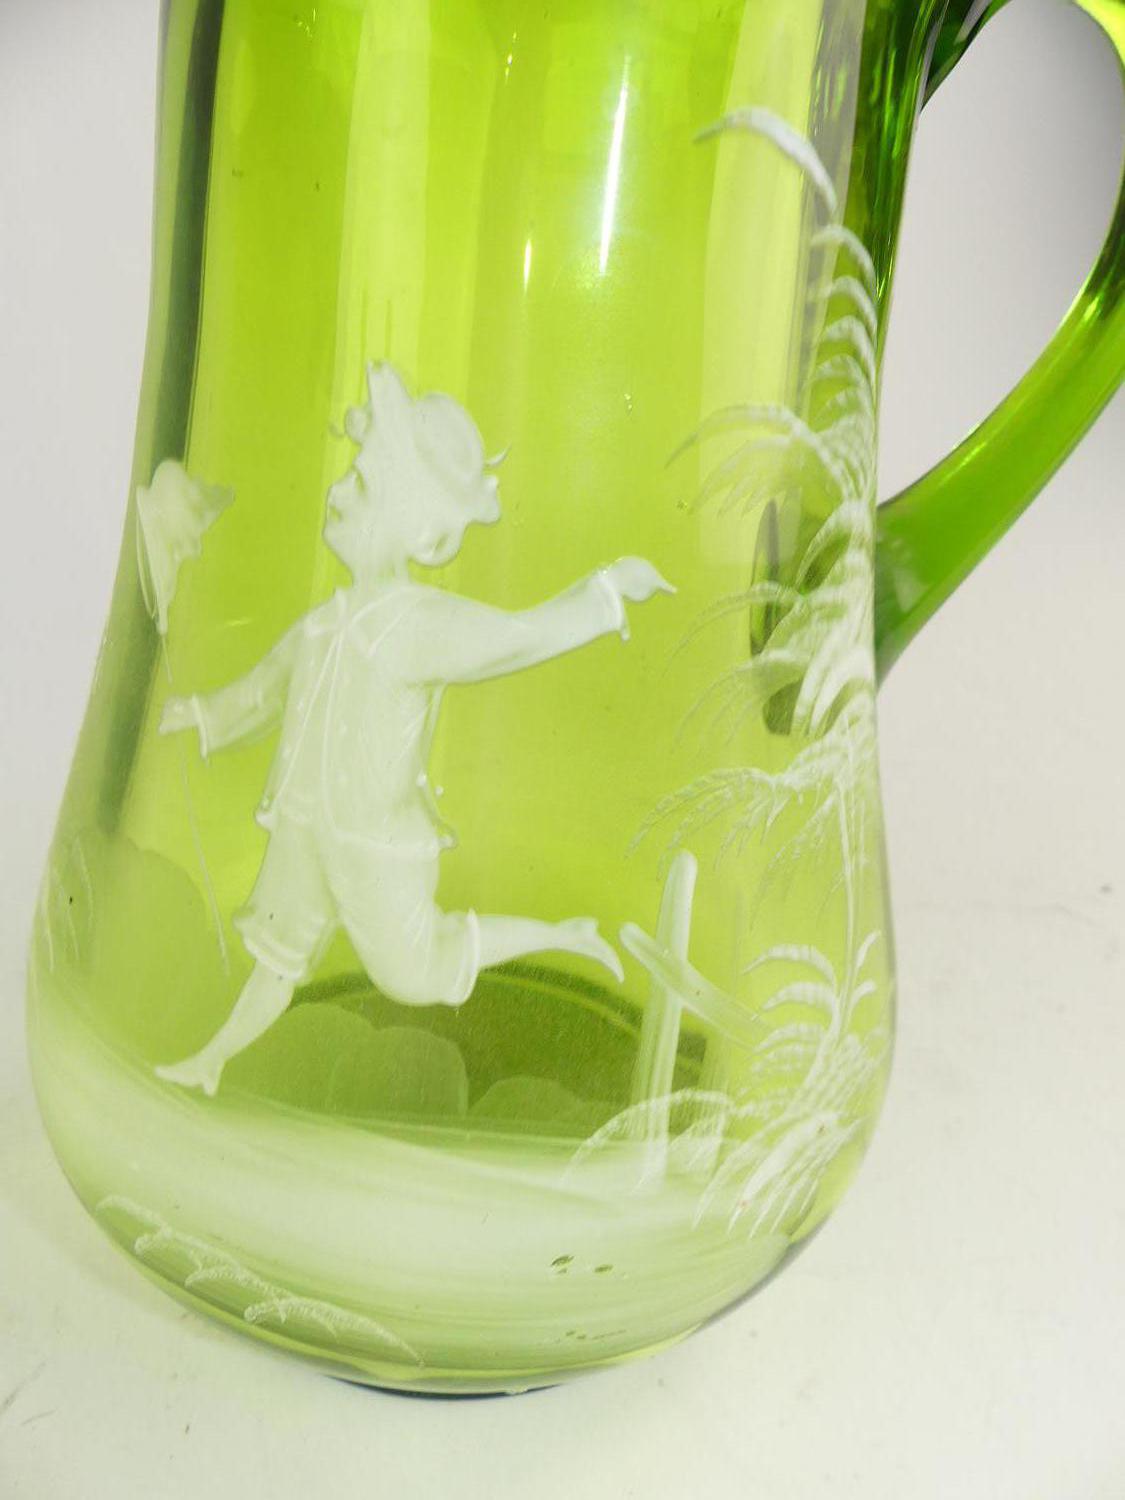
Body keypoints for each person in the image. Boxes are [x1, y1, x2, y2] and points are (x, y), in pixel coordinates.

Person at [156, 361, 673, 1094]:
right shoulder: (324, 623)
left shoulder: (417, 627)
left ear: (427, 538)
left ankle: (562, 935)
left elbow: (518, 637)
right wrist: (206, 714)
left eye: (362, 486)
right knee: (276, 956)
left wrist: (604, 597)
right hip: (306, 825)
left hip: (375, 845)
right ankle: (211, 1062)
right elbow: (265, 690)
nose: (337, 493)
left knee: (413, 974)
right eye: (348, 476)